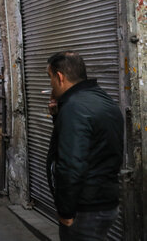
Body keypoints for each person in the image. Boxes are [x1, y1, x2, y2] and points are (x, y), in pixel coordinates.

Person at [45, 51, 123, 241]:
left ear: (60, 76)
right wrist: (58, 115)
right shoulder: (101, 98)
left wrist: (65, 211)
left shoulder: (74, 108)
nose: (50, 84)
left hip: (86, 208)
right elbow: (90, 143)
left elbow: (71, 164)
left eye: (50, 77)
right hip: (106, 201)